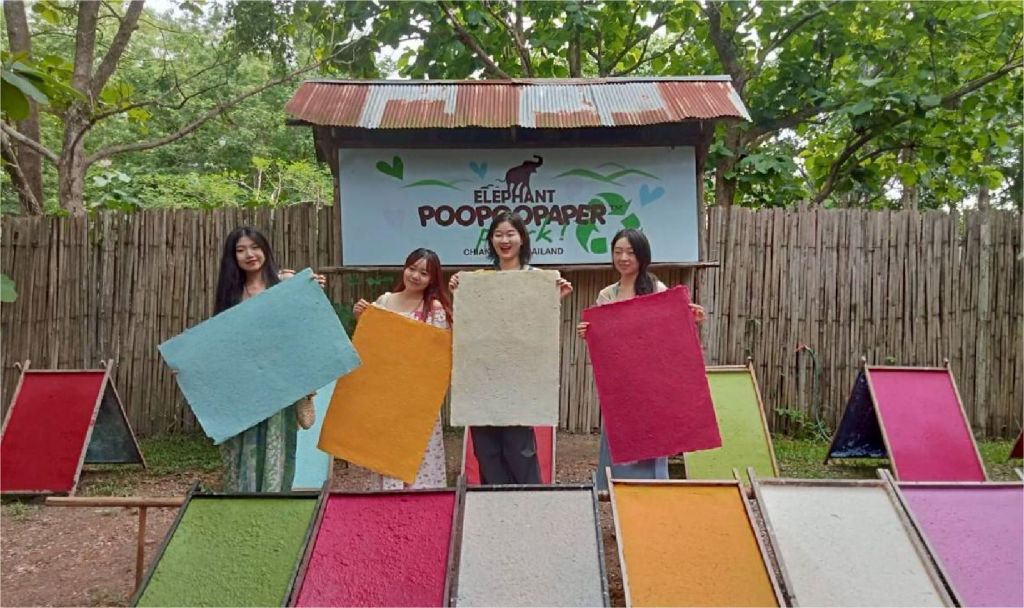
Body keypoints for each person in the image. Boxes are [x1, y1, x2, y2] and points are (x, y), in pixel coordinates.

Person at [575, 228, 706, 489]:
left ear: (642, 256)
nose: (623, 258)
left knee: (651, 447)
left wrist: (690, 321)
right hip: (621, 387)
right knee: (620, 448)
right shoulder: (606, 295)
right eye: (618, 252)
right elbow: (606, 344)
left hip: (652, 388)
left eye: (630, 252)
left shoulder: (657, 290)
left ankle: (652, 504)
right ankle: (620, 503)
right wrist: (588, 333)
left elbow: (671, 339)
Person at [449, 211, 573, 484]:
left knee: (520, 450)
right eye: (498, 235)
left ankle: (530, 506)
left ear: (522, 238)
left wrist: (554, 298)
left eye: (510, 234)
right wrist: (460, 290)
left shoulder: (537, 279)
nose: (504, 240)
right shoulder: (479, 280)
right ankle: (494, 507)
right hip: (484, 377)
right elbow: (471, 325)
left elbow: (537, 329)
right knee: (487, 452)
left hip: (520, 380)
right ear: (491, 240)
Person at [214, 226, 325, 492]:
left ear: (265, 250)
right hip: (243, 387)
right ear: (233, 257)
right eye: (241, 250)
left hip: (279, 385)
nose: (249, 254)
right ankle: (242, 506)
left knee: (277, 448)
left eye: (255, 247)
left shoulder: (285, 285)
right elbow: (219, 343)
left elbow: (305, 331)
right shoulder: (231, 294)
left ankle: (273, 504)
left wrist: (312, 292)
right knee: (243, 450)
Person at [353, 248, 453, 489]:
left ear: (432, 279)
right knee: (385, 454)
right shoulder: (384, 301)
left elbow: (439, 356)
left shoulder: (435, 309)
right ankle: (386, 504)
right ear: (404, 268)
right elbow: (371, 346)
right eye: (412, 268)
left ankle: (420, 506)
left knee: (417, 457)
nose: (415, 276)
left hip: (418, 398)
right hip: (385, 394)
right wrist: (362, 319)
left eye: (424, 273)